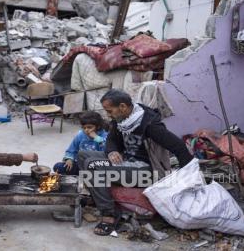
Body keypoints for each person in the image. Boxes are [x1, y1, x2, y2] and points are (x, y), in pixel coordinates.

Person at [78, 89, 193, 236]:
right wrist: (112, 151)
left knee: (94, 167)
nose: (108, 115)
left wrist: (189, 176)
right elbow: (111, 141)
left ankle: (109, 215)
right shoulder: (120, 120)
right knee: (83, 155)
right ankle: (98, 196)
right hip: (126, 161)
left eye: (110, 111)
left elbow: (178, 146)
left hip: (146, 170)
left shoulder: (150, 125)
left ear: (123, 107)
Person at [53, 111, 108, 175]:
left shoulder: (105, 135)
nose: (86, 130)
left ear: (98, 127)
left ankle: (86, 175)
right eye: (84, 128)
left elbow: (106, 152)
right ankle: (83, 174)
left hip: (96, 166)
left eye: (89, 127)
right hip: (80, 165)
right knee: (58, 167)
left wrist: (96, 138)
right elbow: (71, 150)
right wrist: (69, 159)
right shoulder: (81, 135)